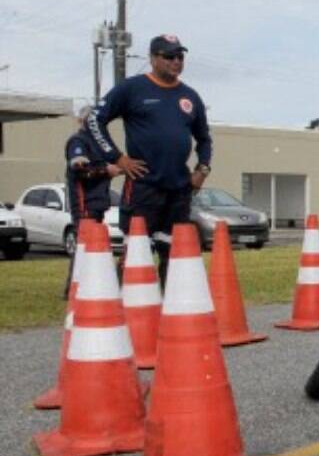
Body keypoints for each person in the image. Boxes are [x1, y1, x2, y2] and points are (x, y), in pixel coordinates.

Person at [85, 35, 212, 285]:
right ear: (153, 59)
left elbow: (205, 139)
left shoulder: (190, 96)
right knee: (138, 250)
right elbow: (94, 121)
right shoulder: (132, 89)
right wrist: (118, 158)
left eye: (180, 57)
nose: (176, 61)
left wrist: (202, 169)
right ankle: (126, 308)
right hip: (143, 185)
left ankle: (171, 307)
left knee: (174, 253)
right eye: (169, 56)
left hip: (179, 188)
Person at [64, 105, 120, 298]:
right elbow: (80, 170)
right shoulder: (78, 141)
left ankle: (89, 286)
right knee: (84, 246)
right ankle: (73, 289)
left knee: (91, 247)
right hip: (84, 204)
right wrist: (106, 171)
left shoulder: (99, 146)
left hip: (98, 204)